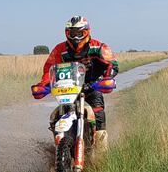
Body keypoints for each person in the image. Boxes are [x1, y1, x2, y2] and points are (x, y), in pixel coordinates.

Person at [31, 15, 118, 148]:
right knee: (55, 116)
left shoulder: (99, 47)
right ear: (67, 33)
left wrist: (106, 79)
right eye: (72, 33)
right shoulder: (60, 49)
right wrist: (44, 84)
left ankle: (101, 156)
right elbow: (49, 69)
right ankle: (59, 147)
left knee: (98, 114)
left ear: (87, 32)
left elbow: (113, 64)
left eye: (79, 33)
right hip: (68, 89)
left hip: (93, 86)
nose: (76, 37)